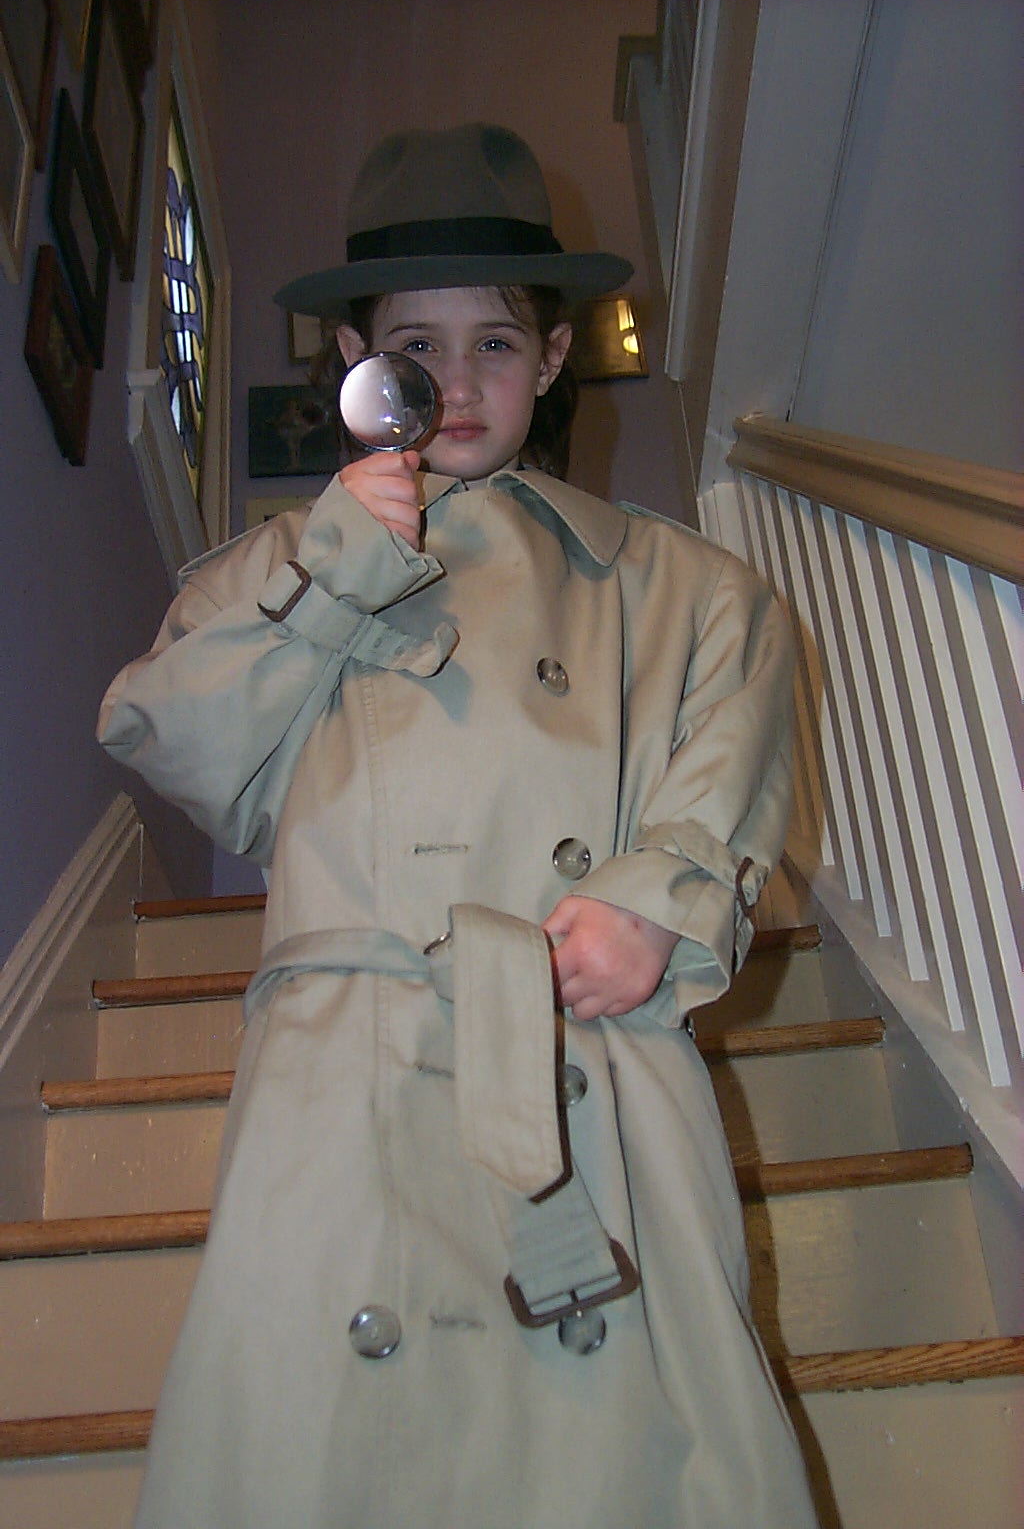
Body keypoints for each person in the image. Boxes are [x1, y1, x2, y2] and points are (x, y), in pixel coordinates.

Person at [99, 122, 819, 1529]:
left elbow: (729, 757)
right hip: (343, 1068)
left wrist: (659, 898)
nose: (460, 381)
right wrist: (338, 566)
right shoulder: (275, 570)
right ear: (356, 367)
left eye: (496, 341)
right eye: (414, 347)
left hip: (582, 1049)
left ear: (552, 359)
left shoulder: (686, 587)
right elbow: (177, 743)